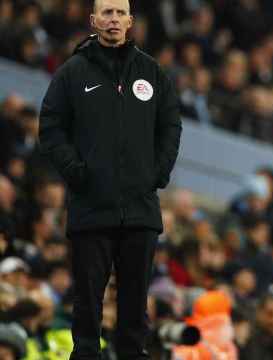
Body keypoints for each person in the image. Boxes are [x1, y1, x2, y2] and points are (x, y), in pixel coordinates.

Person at [38, 0, 182, 358]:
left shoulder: (152, 72)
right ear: (93, 20)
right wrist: (77, 172)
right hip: (91, 208)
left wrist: (158, 173)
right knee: (87, 306)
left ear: (130, 21)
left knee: (135, 308)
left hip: (141, 211)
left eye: (120, 13)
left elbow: (171, 125)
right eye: (107, 12)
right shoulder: (72, 73)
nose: (114, 19)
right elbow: (51, 128)